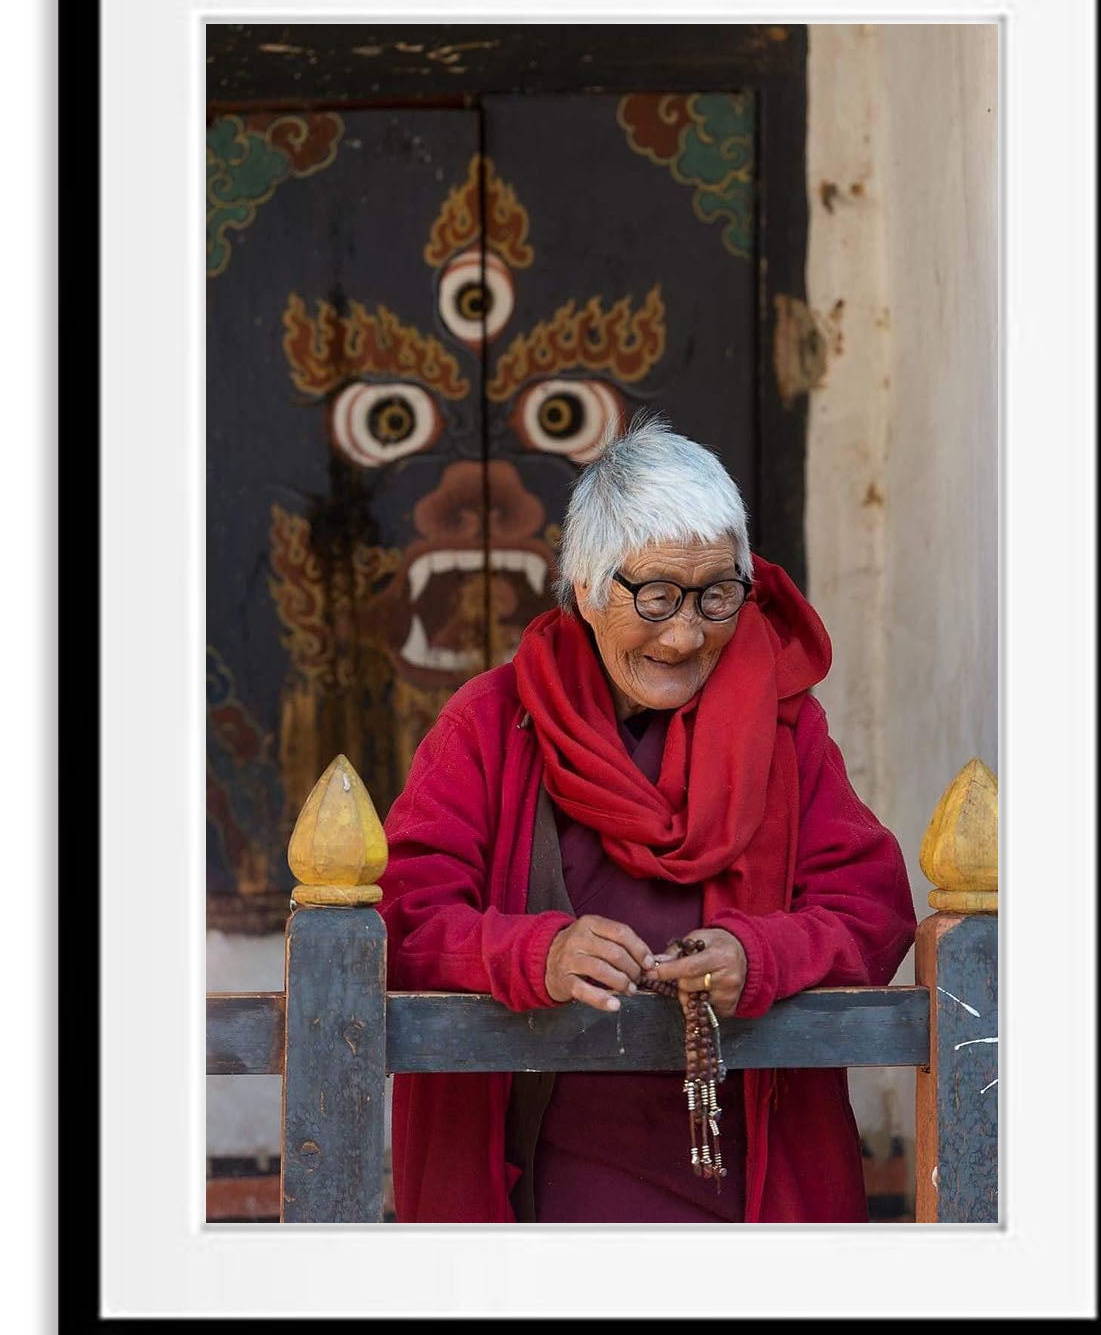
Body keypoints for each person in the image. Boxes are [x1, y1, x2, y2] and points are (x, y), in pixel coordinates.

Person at [381, 415, 916, 1221]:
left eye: (717, 596)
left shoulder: (785, 730)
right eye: (657, 596)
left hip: (750, 1190)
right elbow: (402, 920)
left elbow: (870, 911)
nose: (686, 634)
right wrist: (539, 952)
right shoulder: (490, 726)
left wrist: (758, 953)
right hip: (537, 1190)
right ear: (588, 590)